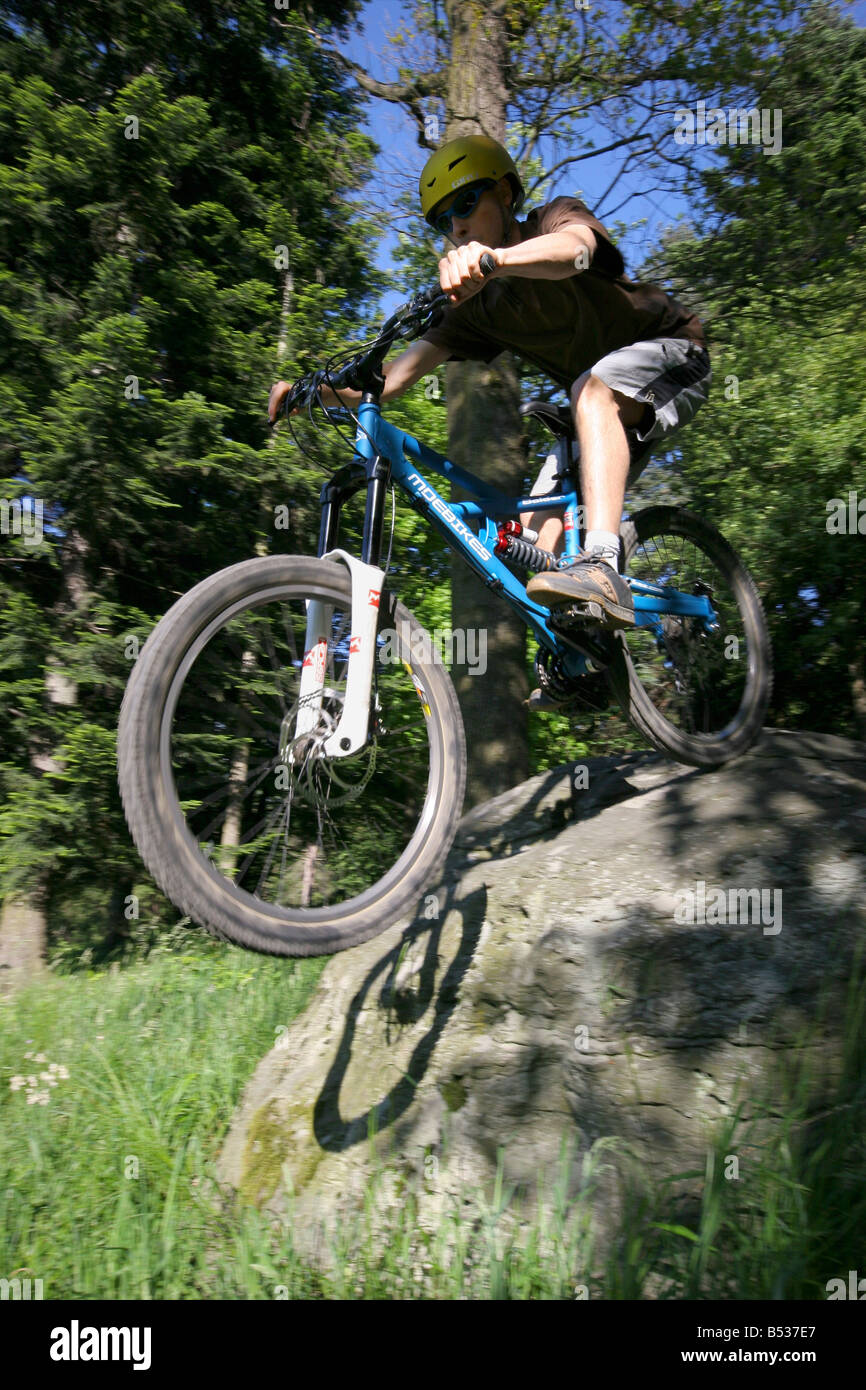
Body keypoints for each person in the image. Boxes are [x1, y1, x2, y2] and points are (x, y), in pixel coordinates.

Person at [268, 135, 711, 704]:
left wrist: (495, 261)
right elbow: (393, 381)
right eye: (441, 221)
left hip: (672, 352)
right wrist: (316, 394)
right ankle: (586, 662)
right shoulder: (476, 307)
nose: (455, 226)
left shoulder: (552, 220)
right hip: (593, 411)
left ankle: (603, 565)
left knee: (591, 390)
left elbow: (576, 251)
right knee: (529, 547)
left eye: (466, 203)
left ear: (503, 194)